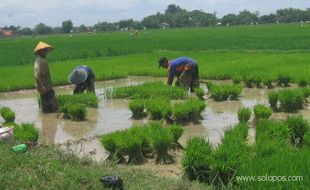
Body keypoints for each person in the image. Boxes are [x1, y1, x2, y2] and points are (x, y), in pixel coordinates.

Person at [34, 41, 58, 113]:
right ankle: (48, 119)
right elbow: (36, 75)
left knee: (49, 105)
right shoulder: (39, 60)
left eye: (46, 50)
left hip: (47, 86)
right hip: (44, 87)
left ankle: (49, 120)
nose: (46, 52)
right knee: (50, 105)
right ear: (40, 51)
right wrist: (42, 86)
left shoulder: (42, 60)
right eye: (45, 51)